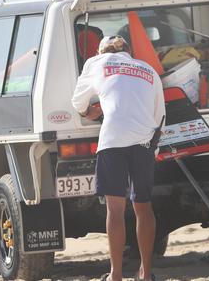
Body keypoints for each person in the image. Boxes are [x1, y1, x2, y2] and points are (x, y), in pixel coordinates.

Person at [71, 36, 165, 281]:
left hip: (112, 138)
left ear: (101, 51)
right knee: (143, 207)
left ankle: (116, 275)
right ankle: (145, 273)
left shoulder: (96, 62)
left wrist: (88, 112)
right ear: (129, 52)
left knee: (115, 209)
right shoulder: (148, 69)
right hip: (144, 140)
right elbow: (159, 116)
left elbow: (78, 100)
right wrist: (152, 150)